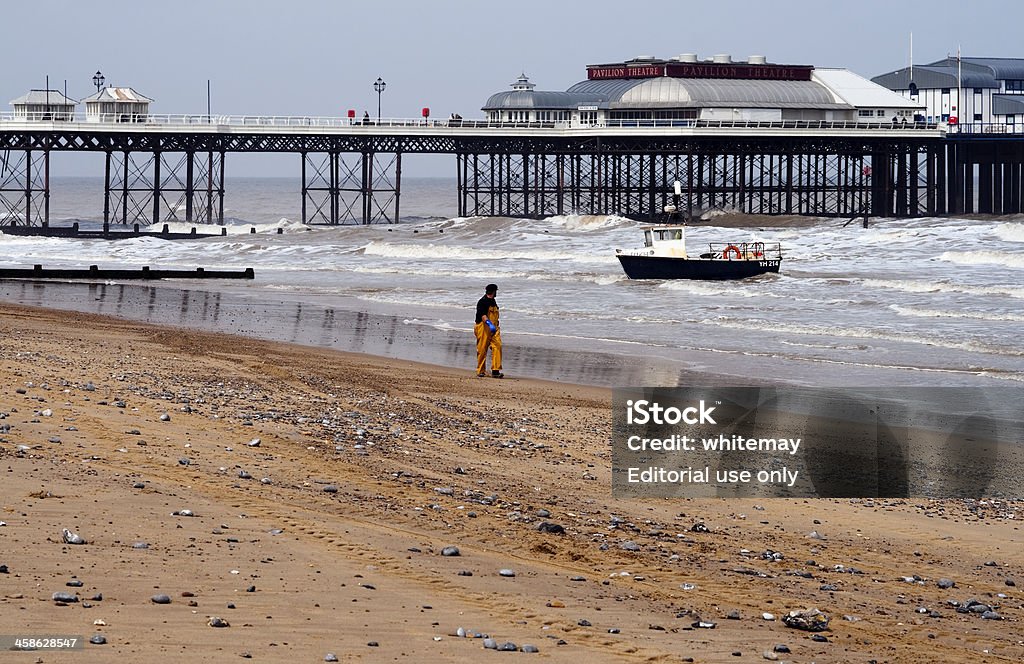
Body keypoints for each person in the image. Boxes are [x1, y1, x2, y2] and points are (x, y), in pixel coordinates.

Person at [474, 283, 503, 378]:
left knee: (497, 346)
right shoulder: (482, 302)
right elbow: (483, 315)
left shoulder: (493, 301)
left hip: (494, 328)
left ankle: (495, 370)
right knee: (482, 349)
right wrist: (489, 324)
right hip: (483, 327)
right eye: (496, 292)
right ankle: (480, 370)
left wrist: (495, 325)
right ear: (493, 292)